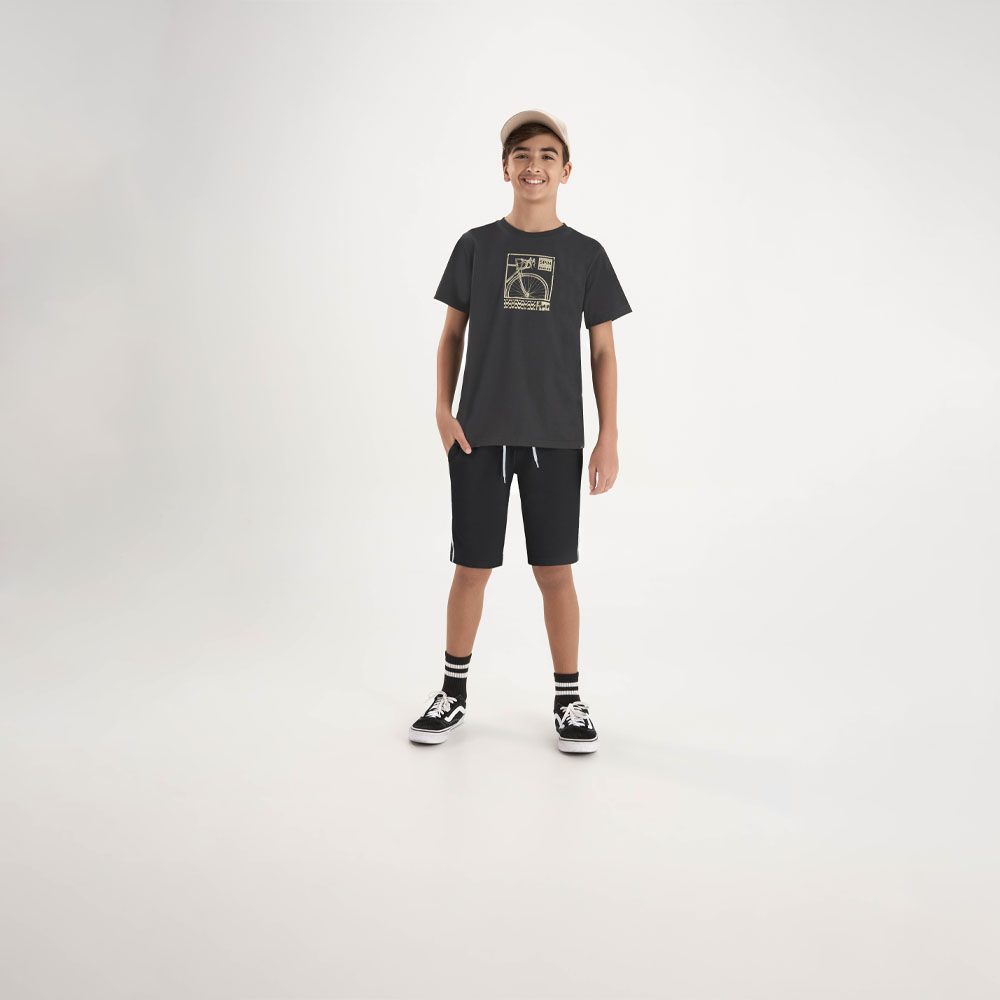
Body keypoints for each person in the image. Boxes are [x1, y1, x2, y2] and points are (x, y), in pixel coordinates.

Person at [408, 109, 632, 754]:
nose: (534, 165)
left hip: (556, 437)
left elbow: (603, 352)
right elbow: (452, 335)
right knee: (470, 568)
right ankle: (452, 692)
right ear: (504, 169)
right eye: (521, 154)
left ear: (567, 170)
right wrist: (444, 410)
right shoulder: (476, 246)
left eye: (546, 154)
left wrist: (608, 435)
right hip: (478, 435)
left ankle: (569, 700)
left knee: (555, 571)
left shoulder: (587, 255)